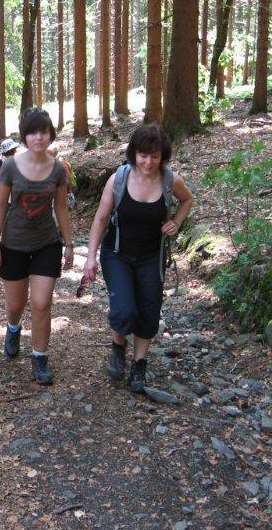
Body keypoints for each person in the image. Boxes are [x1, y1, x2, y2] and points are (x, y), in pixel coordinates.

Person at [82, 124, 193, 392]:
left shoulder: (169, 180)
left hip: (151, 257)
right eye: (143, 155)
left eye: (155, 156)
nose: (148, 161)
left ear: (162, 156)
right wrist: (90, 257)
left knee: (149, 310)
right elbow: (101, 217)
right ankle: (118, 345)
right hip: (117, 254)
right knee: (124, 309)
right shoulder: (119, 179)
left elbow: (188, 200)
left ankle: (139, 365)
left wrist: (176, 222)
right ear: (134, 154)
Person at [0, 108, 74, 384]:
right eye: (33, 132)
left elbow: (60, 208)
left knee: (41, 302)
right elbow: (1, 205)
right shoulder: (10, 166)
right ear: (24, 136)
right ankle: (13, 327)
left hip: (47, 243)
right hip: (13, 244)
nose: (39, 137)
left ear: (50, 134)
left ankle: (40, 358)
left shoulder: (59, 169)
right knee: (15, 304)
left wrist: (69, 244)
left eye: (44, 131)